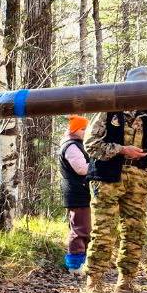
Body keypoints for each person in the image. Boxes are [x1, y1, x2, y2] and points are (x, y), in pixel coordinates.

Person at [81, 66, 147, 293]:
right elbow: (91, 144)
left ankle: (126, 284)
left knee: (134, 232)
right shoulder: (108, 111)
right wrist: (121, 150)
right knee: (104, 231)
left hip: (137, 179)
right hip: (107, 177)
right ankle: (93, 284)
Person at [58, 115, 91, 275]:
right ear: (74, 129)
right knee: (79, 229)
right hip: (76, 191)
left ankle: (80, 263)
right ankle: (75, 266)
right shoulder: (71, 146)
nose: (85, 132)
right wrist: (99, 166)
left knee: (82, 227)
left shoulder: (75, 144)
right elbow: (81, 168)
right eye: (83, 129)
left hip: (78, 191)